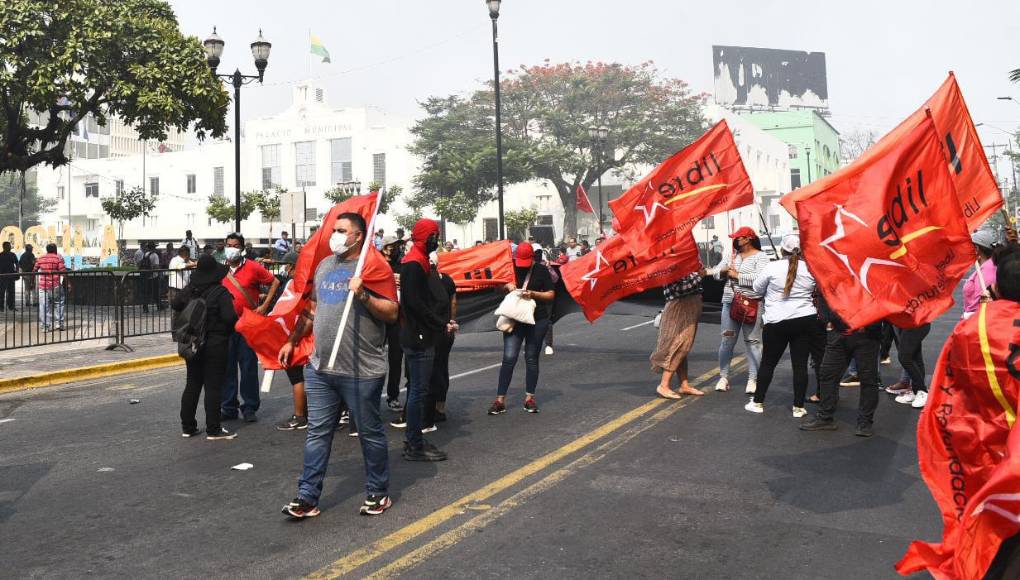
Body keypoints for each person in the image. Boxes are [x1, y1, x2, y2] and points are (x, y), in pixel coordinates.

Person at [278, 212, 398, 519]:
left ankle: (378, 492)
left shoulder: (374, 268)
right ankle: (307, 496)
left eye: (341, 231)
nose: (335, 235)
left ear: (358, 236)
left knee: (370, 433)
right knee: (317, 433)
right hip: (320, 369)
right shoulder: (325, 266)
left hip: (360, 371)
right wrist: (292, 340)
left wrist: (364, 296)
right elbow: (312, 310)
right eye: (334, 230)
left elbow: (392, 313)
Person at [744, 234, 816, 417]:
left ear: (782, 249)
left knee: (768, 362)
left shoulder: (772, 267)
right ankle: (798, 407)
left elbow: (757, 289)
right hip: (805, 318)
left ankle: (758, 401)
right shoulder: (810, 268)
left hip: (777, 321)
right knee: (800, 365)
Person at [399, 218, 450, 461]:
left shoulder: (418, 261)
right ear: (426, 237)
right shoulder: (413, 263)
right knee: (419, 391)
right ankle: (414, 443)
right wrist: (439, 323)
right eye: (434, 236)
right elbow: (415, 303)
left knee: (419, 390)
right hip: (419, 335)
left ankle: (414, 438)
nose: (436, 241)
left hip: (421, 333)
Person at [172, 255, 238, 440]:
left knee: (192, 383)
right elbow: (230, 318)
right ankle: (213, 429)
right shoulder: (220, 292)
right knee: (213, 387)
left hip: (192, 343)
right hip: (216, 344)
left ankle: (188, 427)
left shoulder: (190, 290)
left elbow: (175, 304)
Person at [799, 292, 883, 437]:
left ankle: (865, 422)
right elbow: (822, 291)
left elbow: (883, 295)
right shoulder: (836, 270)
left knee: (868, 379)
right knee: (827, 374)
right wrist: (828, 320)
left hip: (866, 333)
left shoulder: (871, 270)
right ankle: (825, 417)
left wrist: (869, 322)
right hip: (839, 332)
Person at [488, 242, 556, 415]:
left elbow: (550, 294)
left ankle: (529, 398)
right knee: (509, 357)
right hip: (514, 319)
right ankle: (499, 400)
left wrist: (533, 294)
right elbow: (495, 288)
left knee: (532, 358)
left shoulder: (541, 270)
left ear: (532, 258)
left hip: (536, 320)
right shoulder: (509, 267)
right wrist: (506, 287)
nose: (522, 266)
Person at [221, 232, 280, 422]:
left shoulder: (253, 268)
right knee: (227, 367)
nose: (231, 248)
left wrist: (264, 306)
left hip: (248, 325)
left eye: (235, 245)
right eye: (228, 245)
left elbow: (274, 282)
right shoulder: (220, 270)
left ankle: (250, 407)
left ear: (242, 248)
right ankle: (228, 407)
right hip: (226, 326)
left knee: (247, 367)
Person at [705, 226, 769, 394]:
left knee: (753, 343)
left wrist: (738, 276)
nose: (735, 241)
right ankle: (724, 377)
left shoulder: (761, 257)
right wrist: (724, 271)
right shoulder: (731, 255)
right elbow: (716, 273)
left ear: (748, 239)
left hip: (752, 304)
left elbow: (761, 279)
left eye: (738, 238)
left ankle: (753, 379)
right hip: (730, 303)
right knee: (727, 341)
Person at [650, 270, 704, 399]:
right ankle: (664, 385)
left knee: (683, 348)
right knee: (679, 345)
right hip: (679, 308)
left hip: (689, 307)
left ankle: (684, 385)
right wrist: (699, 276)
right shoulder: (670, 265)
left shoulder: (686, 262)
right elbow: (679, 288)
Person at [271, 252, 310, 431]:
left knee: (296, 376)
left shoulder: (294, 285)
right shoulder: (312, 282)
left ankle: (300, 416)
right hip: (309, 335)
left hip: (295, 334)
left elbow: (284, 309)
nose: (284, 268)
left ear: (293, 266)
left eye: (286, 265)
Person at [422, 252, 457, 432]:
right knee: (442, 367)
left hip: (433, 331)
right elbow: (453, 303)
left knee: (430, 369)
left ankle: (428, 410)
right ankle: (439, 407)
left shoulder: (425, 281)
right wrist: (451, 322)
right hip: (445, 330)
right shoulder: (447, 280)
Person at [888, 322, 931, 409]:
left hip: (915, 322)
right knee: (915, 356)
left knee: (904, 357)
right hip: (909, 323)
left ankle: (921, 390)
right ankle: (917, 391)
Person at [961, 228, 1000, 319]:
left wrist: (967, 316)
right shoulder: (987, 266)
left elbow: (982, 302)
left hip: (976, 324)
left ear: (976, 249)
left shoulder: (988, 269)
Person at [34, 243, 66, 331]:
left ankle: (45, 326)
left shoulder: (40, 258)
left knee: (44, 306)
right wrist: (69, 283)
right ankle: (59, 323)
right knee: (59, 303)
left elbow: (34, 270)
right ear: (55, 249)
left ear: (47, 250)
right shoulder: (58, 258)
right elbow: (63, 271)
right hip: (55, 285)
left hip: (43, 286)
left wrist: (32, 282)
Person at [138, 242, 163, 313]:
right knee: (156, 293)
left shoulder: (145, 254)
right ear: (154, 248)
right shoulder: (155, 255)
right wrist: (160, 273)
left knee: (146, 293)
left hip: (146, 276)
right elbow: (156, 266)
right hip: (154, 276)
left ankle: (145, 308)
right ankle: (159, 306)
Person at [0, 241, 18, 311]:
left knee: (11, 292)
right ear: (4, 247)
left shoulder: (12, 254)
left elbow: (17, 263)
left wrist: (16, 272)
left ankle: (11, 306)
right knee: (1, 292)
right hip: (2, 276)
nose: (10, 247)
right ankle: (1, 307)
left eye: (10, 245)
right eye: (8, 245)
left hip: (11, 276)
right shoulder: (1, 255)